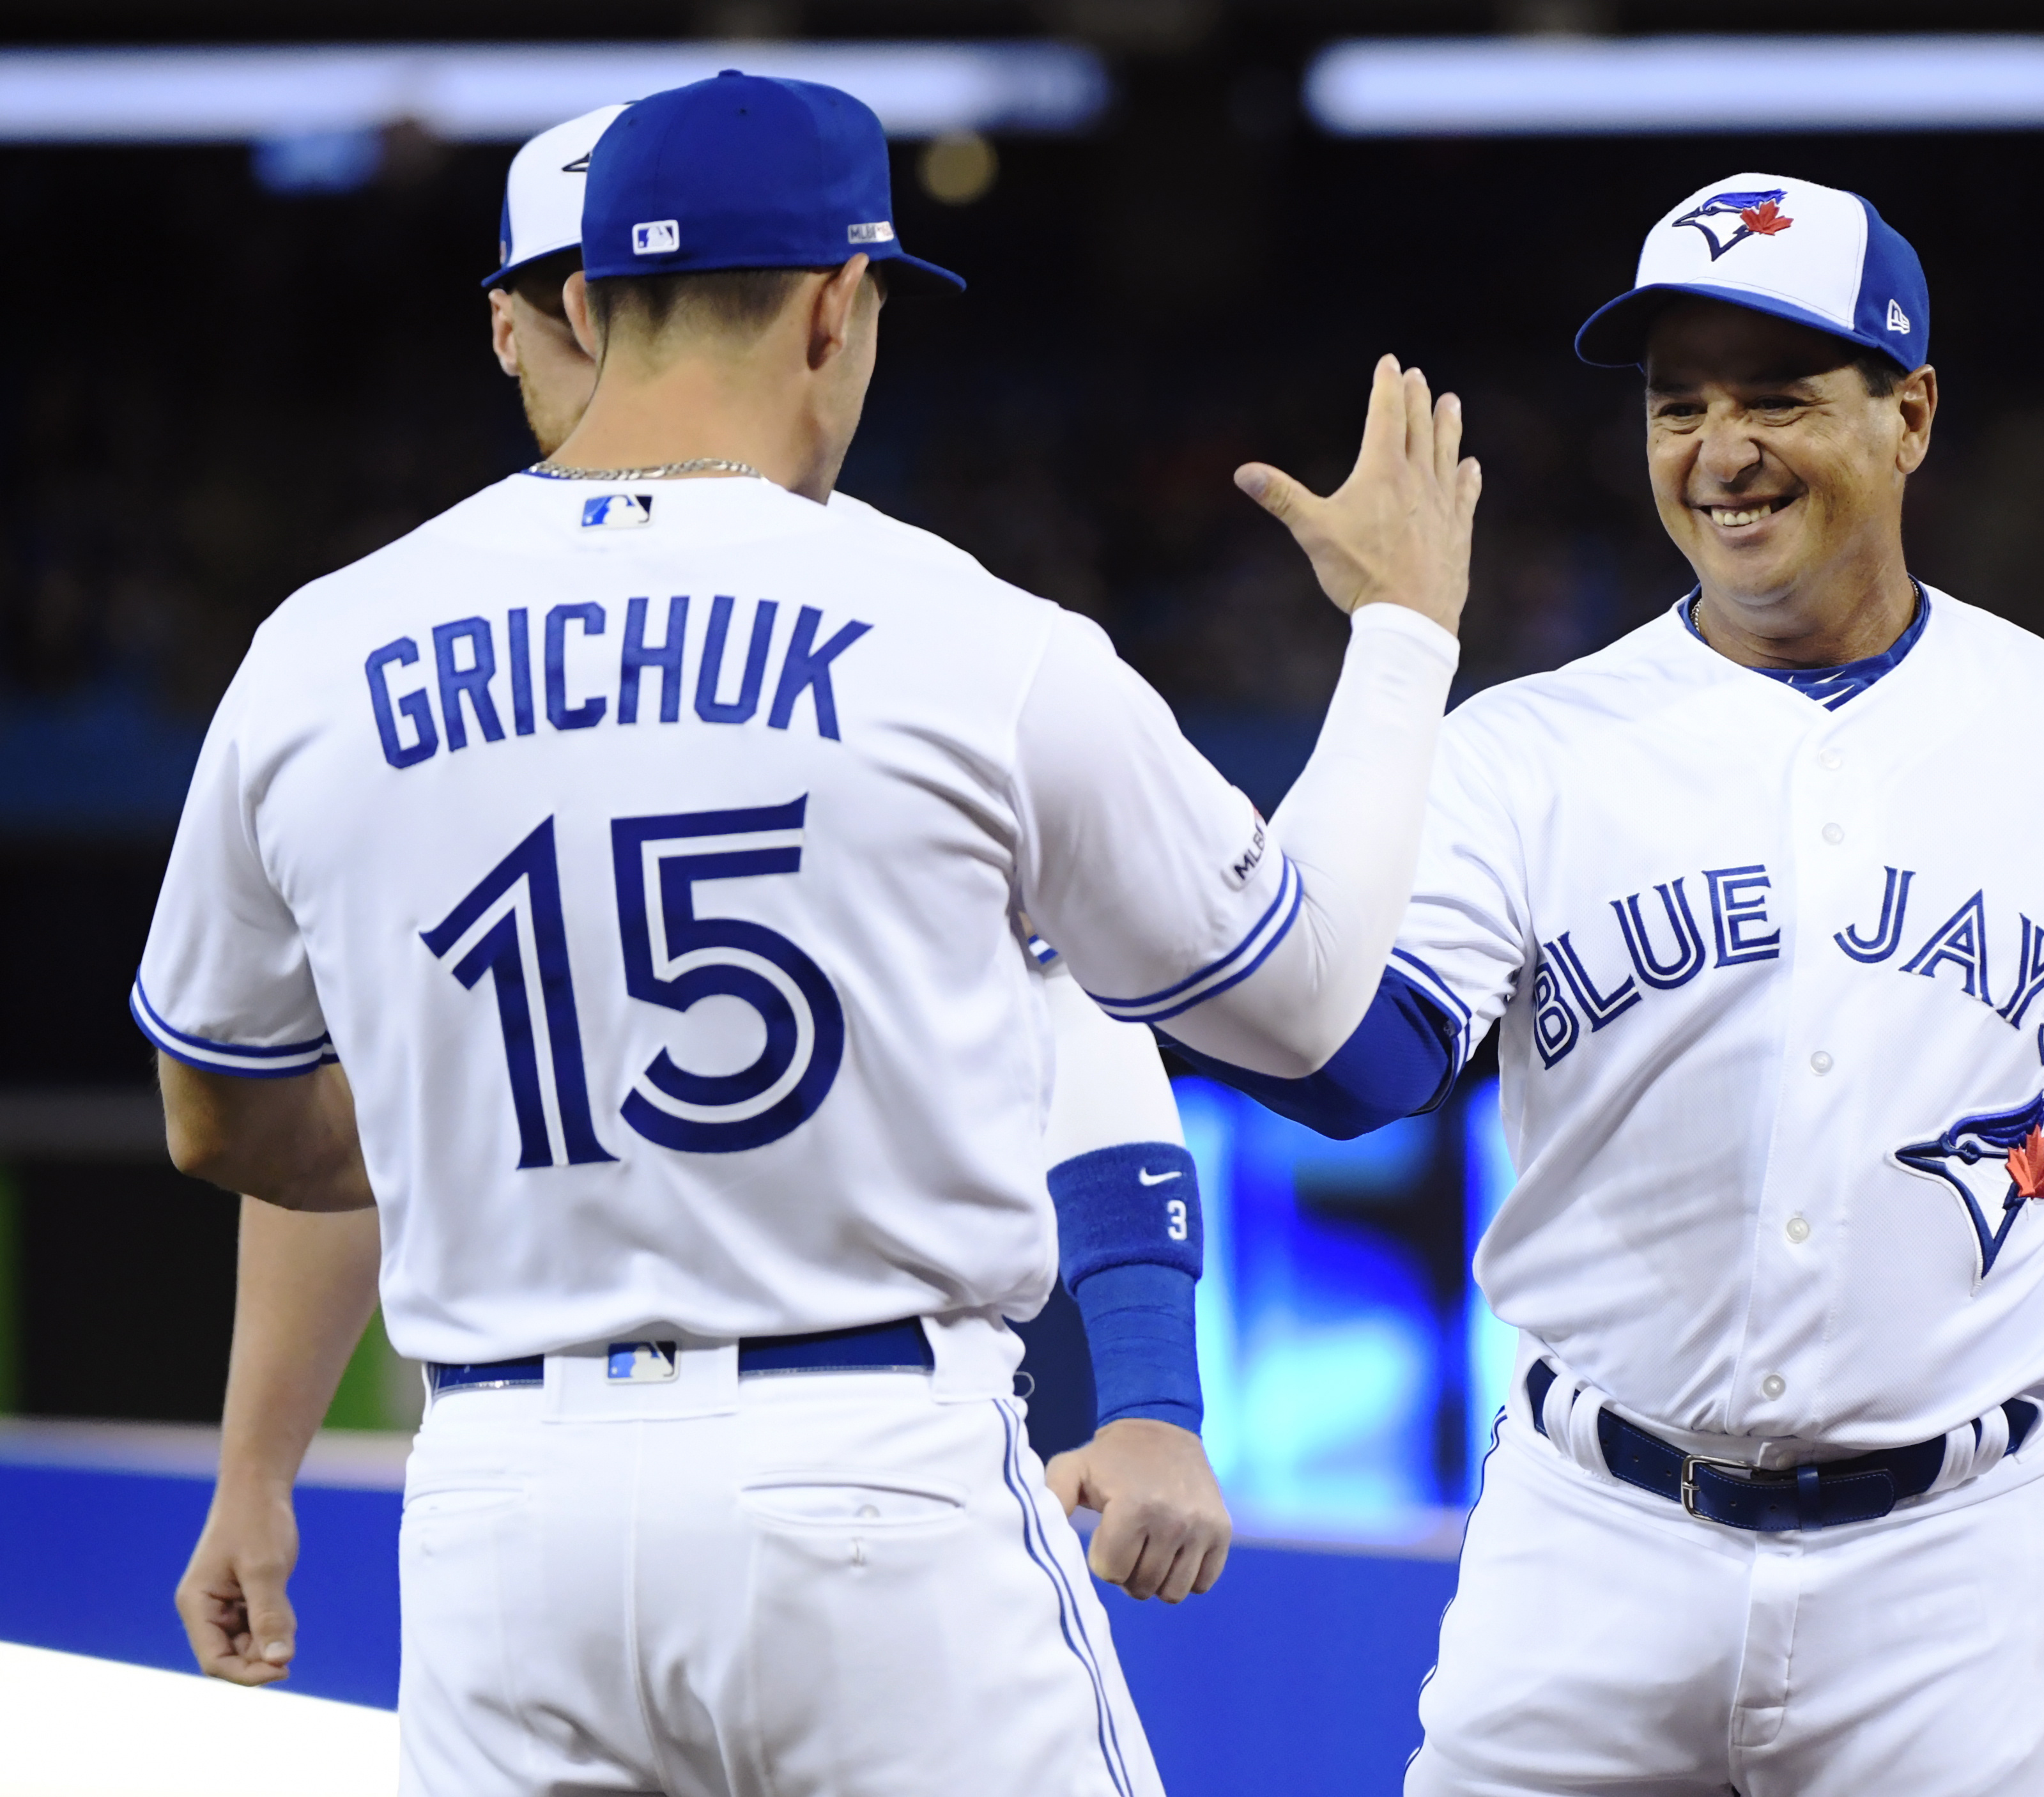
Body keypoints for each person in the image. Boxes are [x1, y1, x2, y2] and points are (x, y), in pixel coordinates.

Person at [137, 70, 1478, 1794]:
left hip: (496, 1500)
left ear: (587, 302)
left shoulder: (316, 656)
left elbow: (217, 1118)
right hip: (864, 1471)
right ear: (838, 307)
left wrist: (454, 1146)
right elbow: (1305, 1010)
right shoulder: (966, 637)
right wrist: (1404, 638)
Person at [1173, 173, 2044, 1796]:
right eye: (1681, 405)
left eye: (1779, 397)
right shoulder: (1527, 751)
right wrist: (1394, 650)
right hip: (1592, 1542)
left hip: (1946, 1579)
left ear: (1913, 415)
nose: (1719, 451)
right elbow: (1346, 1073)